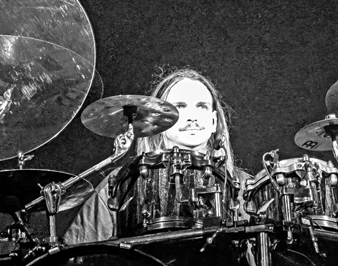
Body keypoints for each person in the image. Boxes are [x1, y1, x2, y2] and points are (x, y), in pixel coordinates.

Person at [62, 67, 244, 246]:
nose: (192, 117)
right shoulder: (121, 183)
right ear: (159, 120)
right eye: (180, 106)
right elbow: (78, 256)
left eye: (201, 107)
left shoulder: (242, 185)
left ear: (213, 122)